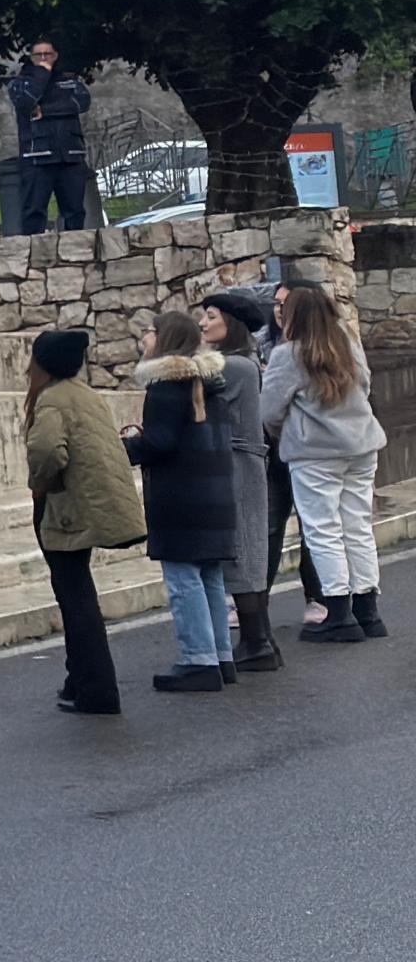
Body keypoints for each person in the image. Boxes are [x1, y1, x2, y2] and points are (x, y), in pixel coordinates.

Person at [22, 328, 142, 714]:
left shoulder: (52, 399)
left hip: (65, 507)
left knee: (76, 600)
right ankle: (79, 681)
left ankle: (96, 689)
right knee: (78, 594)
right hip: (92, 503)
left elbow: (46, 451)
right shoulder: (84, 394)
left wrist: (40, 484)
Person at [121, 311, 240, 697]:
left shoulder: (166, 386)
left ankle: (197, 659)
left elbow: (160, 443)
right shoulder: (210, 381)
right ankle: (220, 655)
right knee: (209, 576)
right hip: (215, 491)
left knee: (183, 578)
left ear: (165, 338)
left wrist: (125, 446)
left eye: (149, 333)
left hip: (181, 496)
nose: (143, 339)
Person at [267, 280, 387, 642]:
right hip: (361, 444)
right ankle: (368, 611)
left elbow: (269, 410)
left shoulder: (288, 355)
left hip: (314, 452)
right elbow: (364, 387)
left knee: (322, 530)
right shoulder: (347, 346)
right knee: (357, 525)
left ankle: (338, 612)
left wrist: (287, 432)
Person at [201, 290, 284, 677]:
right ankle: (260, 638)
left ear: (230, 322)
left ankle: (256, 641)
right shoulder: (244, 364)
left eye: (211, 316)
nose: (203, 323)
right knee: (246, 549)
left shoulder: (233, 367)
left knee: (244, 551)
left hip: (238, 464)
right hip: (241, 461)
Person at [5, 41, 94, 235]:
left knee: (75, 212)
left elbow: (80, 104)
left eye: (48, 54)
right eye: (39, 55)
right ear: (31, 58)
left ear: (56, 55)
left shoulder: (70, 81)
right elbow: (26, 103)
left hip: (70, 155)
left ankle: (76, 254)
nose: (44, 58)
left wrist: (44, 109)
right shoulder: (20, 83)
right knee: (34, 211)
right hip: (37, 156)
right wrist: (42, 75)